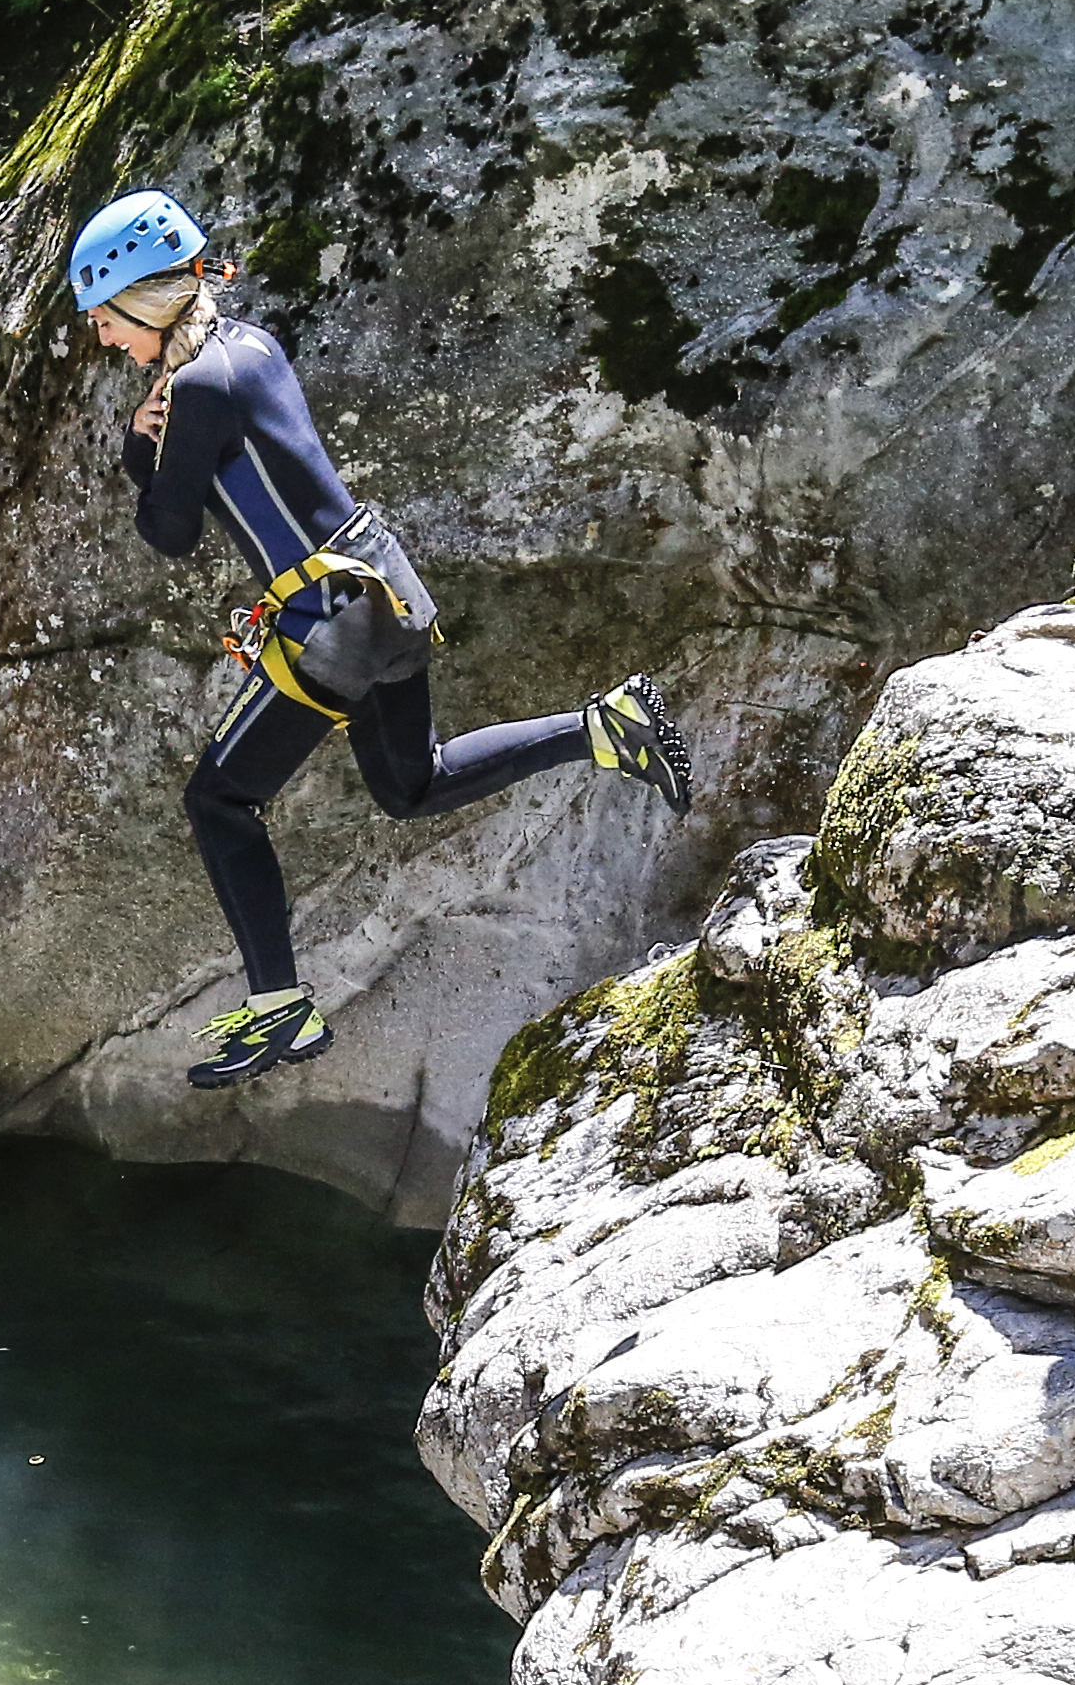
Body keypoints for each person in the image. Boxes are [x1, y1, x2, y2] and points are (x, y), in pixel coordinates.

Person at [69, 189, 697, 1090]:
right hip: (384, 586)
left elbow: (167, 529)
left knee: (218, 802)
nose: (102, 341)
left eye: (104, 319)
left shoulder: (198, 388)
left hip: (331, 621)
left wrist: (140, 445)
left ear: (144, 301)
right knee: (414, 782)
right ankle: (606, 727)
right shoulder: (250, 347)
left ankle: (281, 1008)